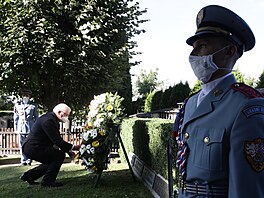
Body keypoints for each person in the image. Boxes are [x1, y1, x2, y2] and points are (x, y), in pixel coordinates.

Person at [173, 5, 264, 198]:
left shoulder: (245, 106)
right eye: (193, 48)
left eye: (202, 46)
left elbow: (246, 189)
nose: (194, 55)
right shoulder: (190, 104)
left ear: (229, 51)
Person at [20, 103, 80, 187]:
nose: (67, 118)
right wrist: (74, 147)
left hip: (33, 147)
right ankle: (48, 181)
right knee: (58, 156)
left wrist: (69, 151)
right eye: (66, 115)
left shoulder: (51, 119)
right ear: (60, 112)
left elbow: (57, 140)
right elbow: (57, 141)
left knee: (51, 161)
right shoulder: (48, 120)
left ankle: (29, 176)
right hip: (33, 147)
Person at [14, 89, 38, 166]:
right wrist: (16, 128)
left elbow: (36, 118)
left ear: (29, 96)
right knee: (21, 144)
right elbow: (16, 118)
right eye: (24, 95)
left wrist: (36, 128)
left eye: (27, 95)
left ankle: (29, 160)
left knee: (30, 144)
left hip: (30, 127)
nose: (25, 97)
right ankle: (23, 160)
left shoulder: (33, 106)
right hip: (21, 127)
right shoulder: (17, 105)